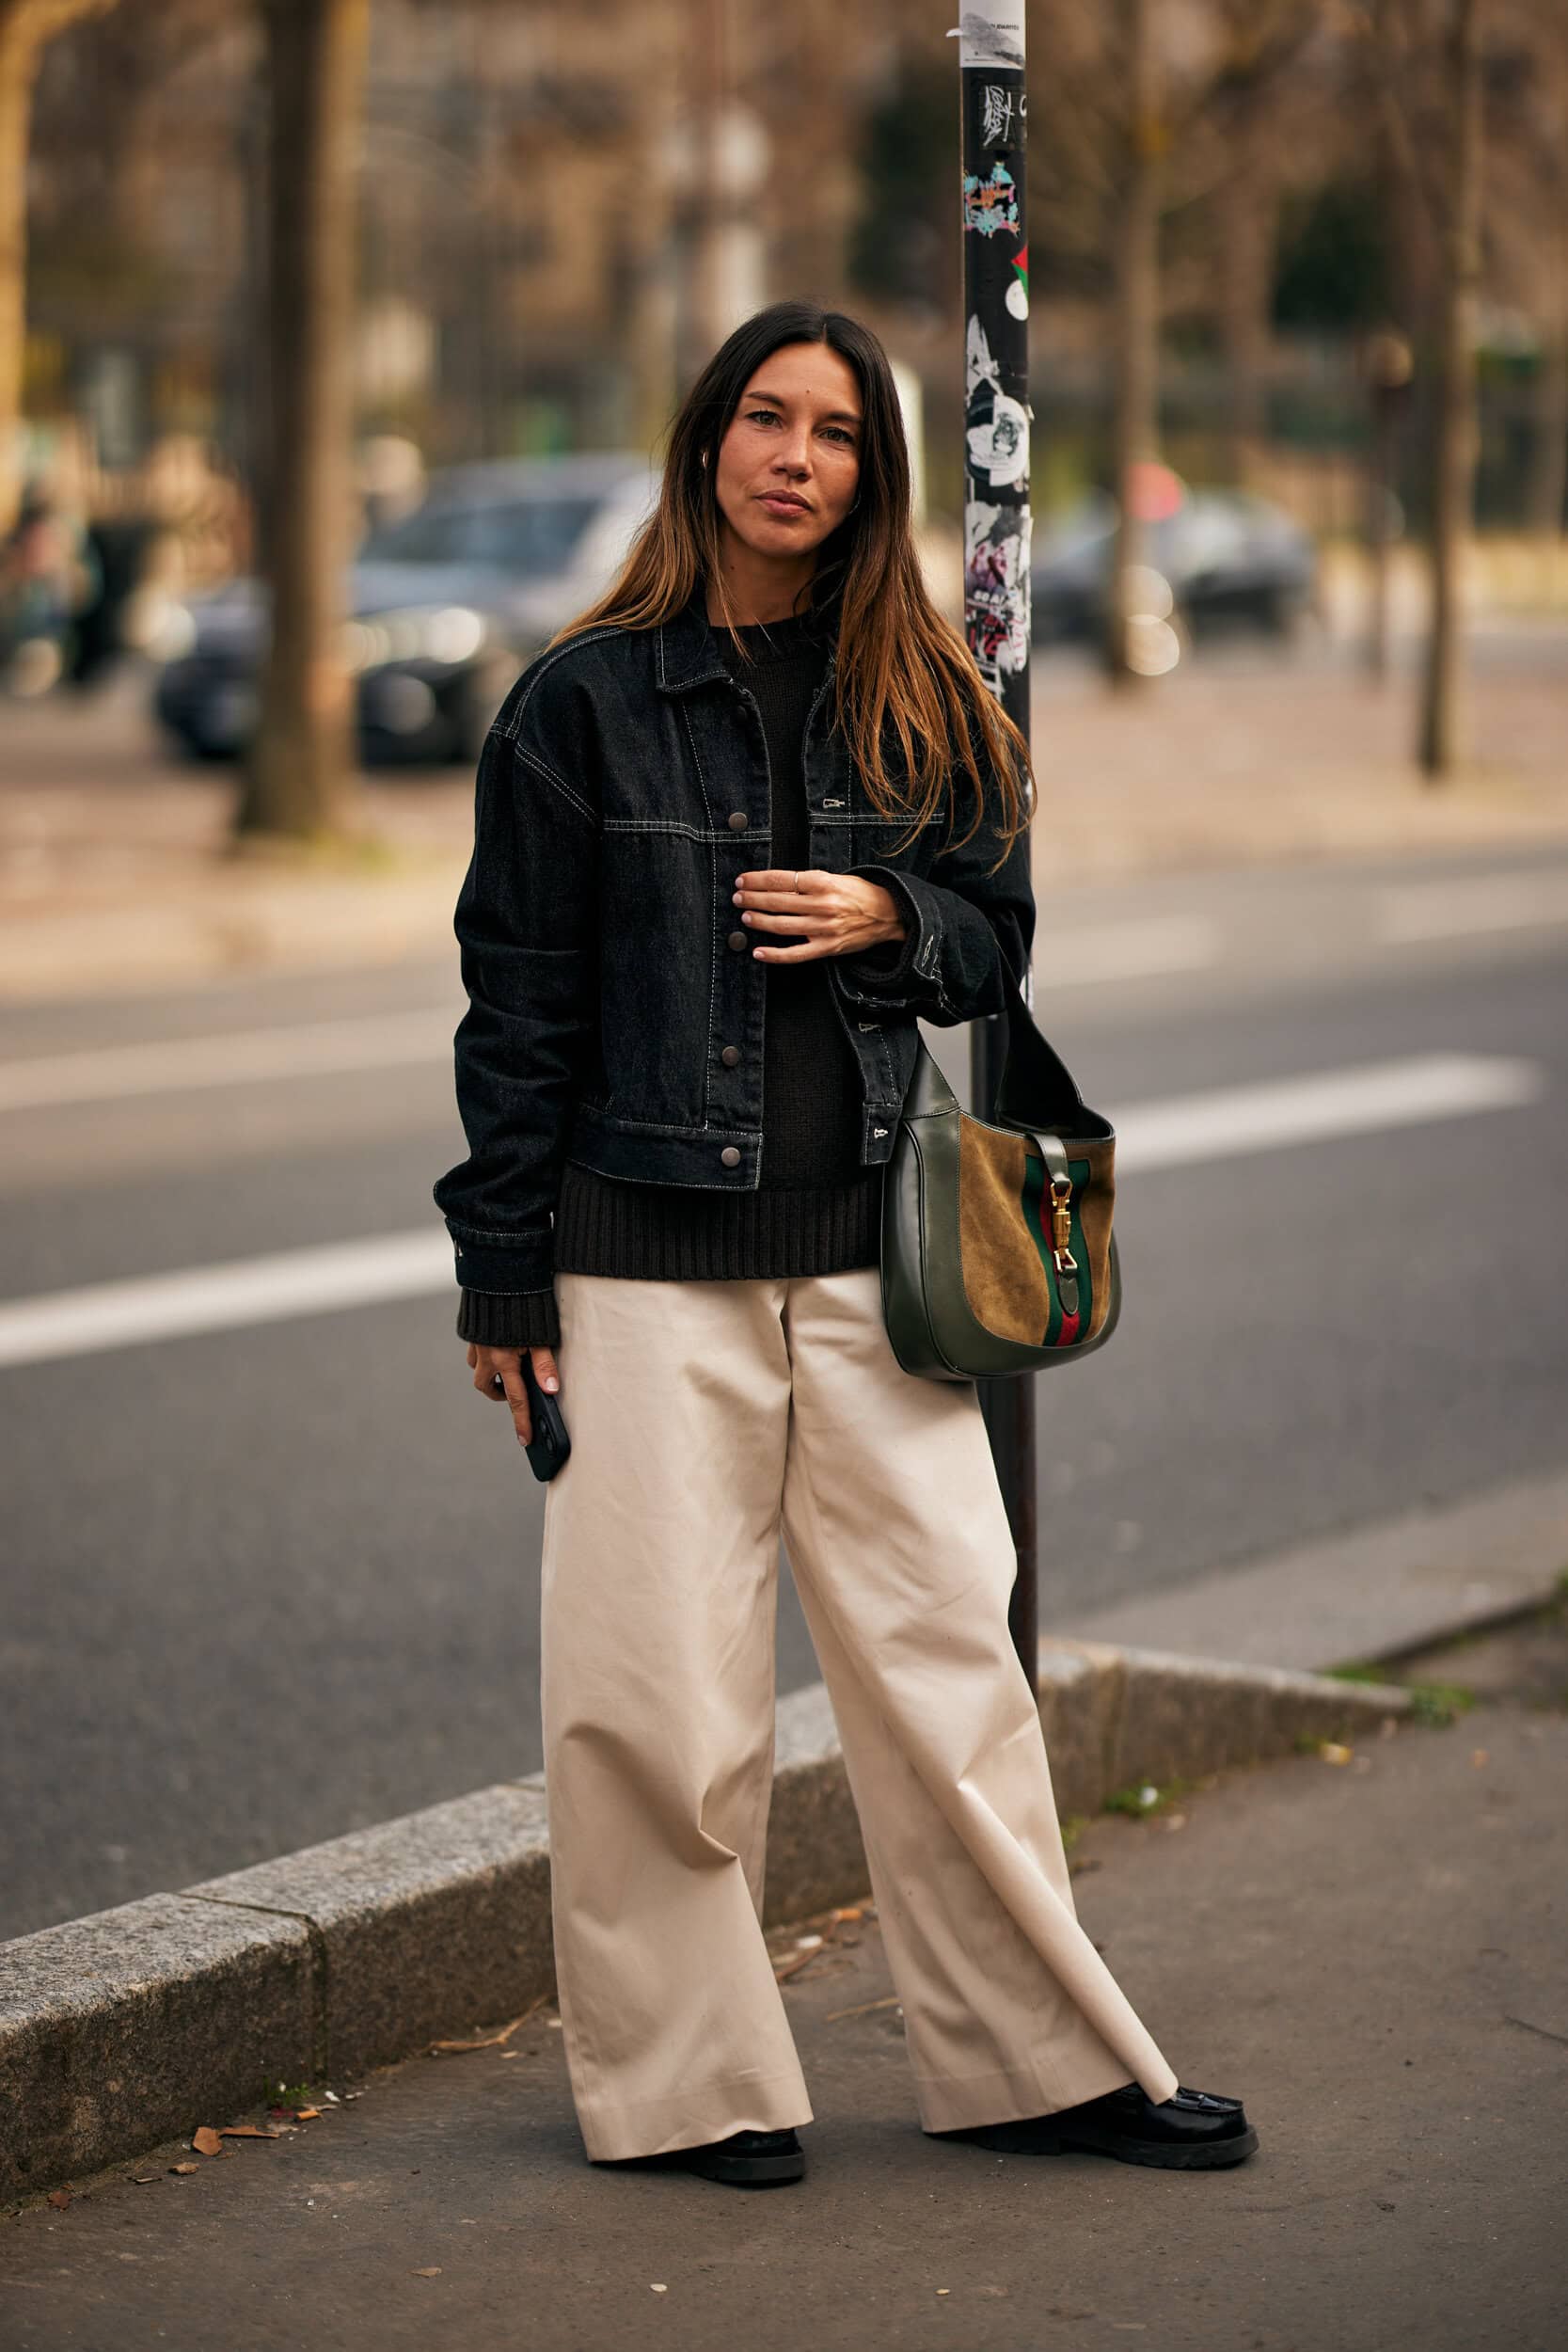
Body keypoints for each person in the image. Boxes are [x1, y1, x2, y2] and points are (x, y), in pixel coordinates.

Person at [433, 300, 1256, 2189]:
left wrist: (895, 912)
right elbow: (516, 1013)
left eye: (834, 433)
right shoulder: (581, 700)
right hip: (642, 1266)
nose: (794, 456)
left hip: (879, 1268)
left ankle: (1043, 2059)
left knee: (950, 1655)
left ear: (873, 475)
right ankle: (687, 2083)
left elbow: (998, 934)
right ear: (707, 439)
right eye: (764, 417)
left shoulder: (925, 689)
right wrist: (500, 1278)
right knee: (654, 1697)